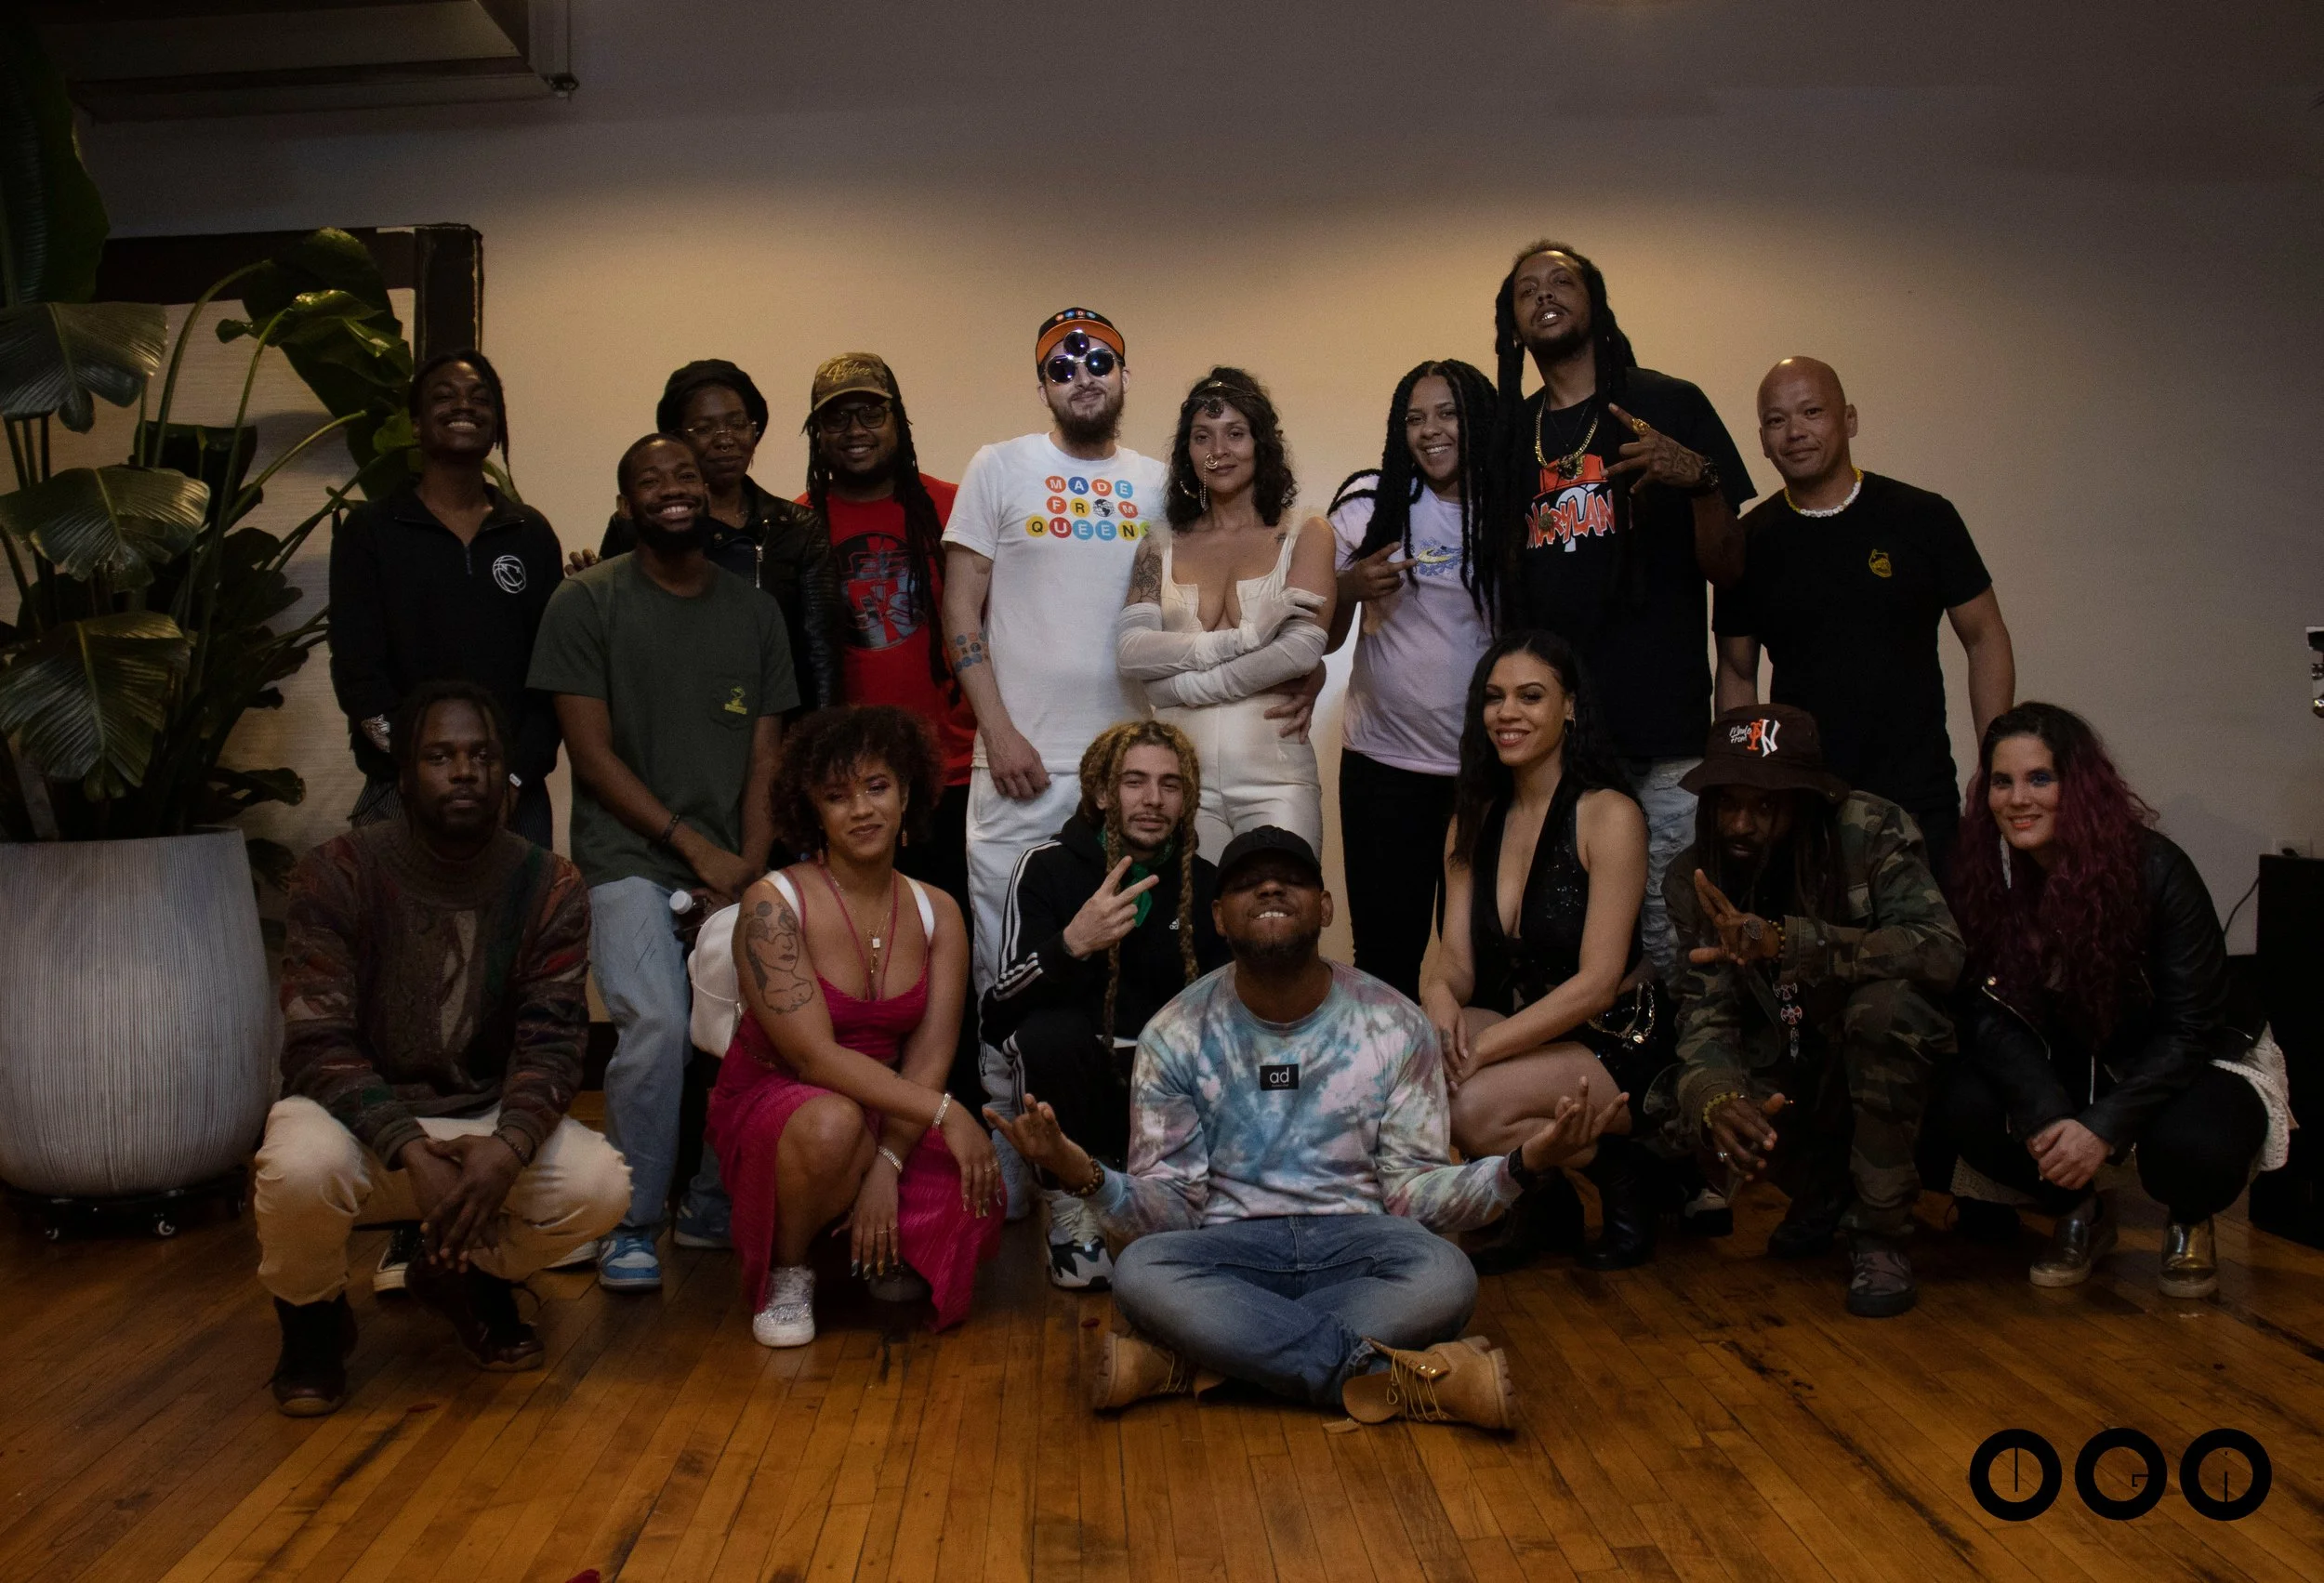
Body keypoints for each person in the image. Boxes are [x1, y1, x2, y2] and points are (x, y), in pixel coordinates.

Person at [992, 826, 1621, 1425]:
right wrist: (1081, 1172)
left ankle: (1199, 1362)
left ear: (1324, 907)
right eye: (1248, 883)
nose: (1270, 888)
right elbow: (1170, 1211)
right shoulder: (1175, 1034)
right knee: (1141, 1272)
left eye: (1290, 879)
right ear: (1218, 917)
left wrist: (1523, 1164)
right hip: (1230, 1252)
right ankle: (1405, 1379)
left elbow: (1416, 1195)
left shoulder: (1394, 1024)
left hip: (1361, 1247)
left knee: (1446, 1275)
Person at [255, 679, 627, 1417]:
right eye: (440, 756)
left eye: (482, 755)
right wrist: (407, 1146)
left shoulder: (549, 885)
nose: (464, 771)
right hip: (353, 1123)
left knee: (600, 1186)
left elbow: (554, 1044)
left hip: (481, 1124)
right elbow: (316, 1041)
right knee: (297, 1168)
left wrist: (509, 1146)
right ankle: (312, 1319)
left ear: (505, 772)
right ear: (403, 775)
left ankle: (466, 1274)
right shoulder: (336, 872)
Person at [528, 434, 796, 1292]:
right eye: (651, 480)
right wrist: (693, 847)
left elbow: (765, 758)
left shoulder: (755, 612)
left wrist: (747, 869)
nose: (673, 489)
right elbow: (590, 755)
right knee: (654, 1024)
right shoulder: (584, 601)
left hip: (733, 861)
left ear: (707, 496)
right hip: (629, 858)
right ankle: (632, 1219)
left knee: (757, 1021)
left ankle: (711, 1203)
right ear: (624, 506)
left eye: (686, 476)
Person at [1927, 704, 2272, 1299]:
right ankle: (2081, 1213)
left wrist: (2102, 1128)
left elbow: (2190, 1028)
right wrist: (2046, 1117)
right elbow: (1990, 1018)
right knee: (1961, 1103)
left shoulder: (2158, 868)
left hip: (2183, 1059)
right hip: (2072, 1058)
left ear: (2080, 786)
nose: (2018, 799)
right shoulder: (1987, 877)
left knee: (2197, 1147)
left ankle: (2190, 1219)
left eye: (2040, 778)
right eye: (2002, 782)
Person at [1483, 243, 1756, 977]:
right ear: (1512, 325)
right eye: (1526, 290)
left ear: (1595, 301)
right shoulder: (1512, 435)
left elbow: (1730, 567)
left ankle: (1681, 1057)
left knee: (1678, 946)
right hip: (1562, 747)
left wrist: (1700, 480)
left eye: (1561, 281)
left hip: (1664, 732)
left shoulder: (1669, 404)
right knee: (1574, 950)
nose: (1544, 294)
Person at [940, 307, 1168, 1178]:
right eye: (1062, 366)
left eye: (1099, 360)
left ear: (1124, 374)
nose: (1083, 376)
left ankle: (1110, 1160)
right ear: (1043, 384)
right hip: (1020, 763)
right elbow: (961, 610)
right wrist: (996, 729)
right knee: (1008, 962)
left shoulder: (1158, 483)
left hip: (1130, 771)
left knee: (1130, 958)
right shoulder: (999, 467)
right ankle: (1006, 1163)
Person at [712, 706, 1002, 1347]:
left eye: (877, 787)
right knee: (833, 1124)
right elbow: (814, 1059)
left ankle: (863, 1238)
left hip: (885, 1102)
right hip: (781, 1098)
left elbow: (927, 1061)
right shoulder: (772, 902)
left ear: (906, 795)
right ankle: (789, 1269)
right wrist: (947, 1112)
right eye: (838, 796)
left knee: (977, 1180)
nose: (862, 809)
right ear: (812, 810)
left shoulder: (939, 910)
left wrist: (889, 1165)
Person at [1665, 705, 1964, 1318]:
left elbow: (1939, 950)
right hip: (1790, 1053)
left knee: (1883, 1012)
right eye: (1726, 803)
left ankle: (1880, 1234)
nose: (1740, 823)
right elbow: (1705, 1015)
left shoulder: (1869, 829)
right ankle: (1824, 1187)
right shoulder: (1696, 878)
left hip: (1885, 1057)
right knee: (1683, 1104)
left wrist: (1791, 942)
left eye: (1764, 805)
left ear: (1805, 801)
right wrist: (1719, 1099)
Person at [1419, 632, 1674, 1273]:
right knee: (1419, 1065)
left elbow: (1598, 982)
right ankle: (1546, 1199)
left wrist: (1482, 1051)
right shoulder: (1472, 816)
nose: (1507, 713)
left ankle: (1623, 1168)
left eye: (1530, 697)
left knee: (1468, 1104)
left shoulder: (1609, 814)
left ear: (1570, 707)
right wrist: (1437, 997)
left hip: (1617, 1033)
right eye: (1494, 697)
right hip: (1534, 1024)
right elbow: (1455, 960)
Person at [1714, 357, 2015, 878]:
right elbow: (1737, 671)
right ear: (1762, 440)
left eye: (1812, 412)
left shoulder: (1923, 517)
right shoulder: (1748, 541)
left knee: (1930, 930)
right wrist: (1748, 786)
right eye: (1777, 420)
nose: (1795, 432)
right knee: (1806, 931)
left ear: (1848, 420)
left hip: (1917, 795)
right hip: (1804, 800)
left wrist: (1996, 762)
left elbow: (1985, 637)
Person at [979, 719, 1229, 1288]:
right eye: (1134, 781)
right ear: (1100, 792)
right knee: (1046, 1034)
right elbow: (998, 1014)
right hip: (1077, 1087)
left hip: (1164, 1094)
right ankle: (1071, 1210)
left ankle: (1173, 1195)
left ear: (1186, 799)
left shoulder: (1208, 882)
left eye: (1170, 784)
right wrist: (1071, 944)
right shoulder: (1045, 866)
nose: (1153, 799)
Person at [800, 352, 981, 1095]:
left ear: (897, 421)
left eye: (869, 411)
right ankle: (866, 1110)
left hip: (953, 770)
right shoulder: (798, 523)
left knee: (953, 954)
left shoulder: (954, 506)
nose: (854, 429)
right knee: (859, 962)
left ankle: (954, 1110)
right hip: (850, 787)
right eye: (836, 417)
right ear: (816, 434)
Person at [328, 349, 561, 848]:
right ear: (416, 424)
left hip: (514, 794)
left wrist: (512, 776)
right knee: (397, 903)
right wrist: (417, 768)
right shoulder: (370, 531)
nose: (464, 405)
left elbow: (551, 677)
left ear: (496, 426)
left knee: (522, 904)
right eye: (444, 396)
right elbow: (358, 672)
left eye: (481, 398)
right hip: (401, 788)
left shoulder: (530, 533)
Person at [1326, 359, 1499, 997]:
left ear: (1481, 420)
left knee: (1481, 961)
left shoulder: (1510, 509)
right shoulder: (1372, 501)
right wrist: (1348, 587)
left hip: (1486, 775)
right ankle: (1386, 1065)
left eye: (1448, 413)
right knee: (1384, 955)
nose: (1430, 431)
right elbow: (1319, 636)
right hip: (1383, 769)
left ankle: (1471, 1067)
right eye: (1415, 418)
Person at [1114, 367, 1334, 859]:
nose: (1219, 450)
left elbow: (1300, 652)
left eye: (1235, 433)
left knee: (1280, 904)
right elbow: (1131, 652)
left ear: (1261, 442)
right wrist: (1249, 637)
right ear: (1187, 452)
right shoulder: (1159, 543)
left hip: (1278, 778)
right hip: (1180, 781)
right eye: (1202, 437)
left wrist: (1174, 690)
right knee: (1190, 909)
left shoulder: (1306, 532)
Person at [595, 358, 840, 715]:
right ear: (676, 439)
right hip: (668, 717)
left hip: (776, 722)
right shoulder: (637, 525)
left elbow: (821, 658)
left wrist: (818, 738)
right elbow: (613, 644)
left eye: (738, 424)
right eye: (704, 428)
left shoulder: (797, 527)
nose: (725, 440)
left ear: (754, 432)